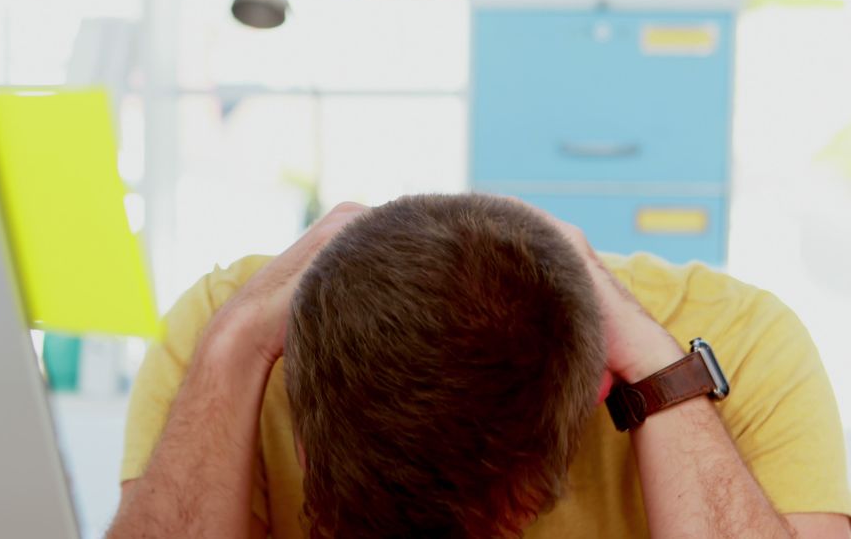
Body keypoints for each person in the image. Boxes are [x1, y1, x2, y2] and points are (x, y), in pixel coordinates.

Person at [106, 194, 851, 538]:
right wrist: (234, 351)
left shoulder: (741, 340)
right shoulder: (229, 337)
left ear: (593, 395)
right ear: (305, 426)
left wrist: (665, 375)